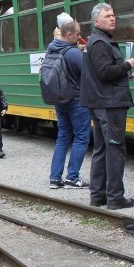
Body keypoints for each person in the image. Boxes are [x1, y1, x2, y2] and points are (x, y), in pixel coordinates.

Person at [80, 3, 134, 210]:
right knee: (114, 150)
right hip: (109, 104)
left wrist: (121, 72)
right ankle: (114, 197)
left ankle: (98, 195)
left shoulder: (96, 42)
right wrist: (127, 66)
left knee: (102, 149)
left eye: (114, 14)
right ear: (97, 21)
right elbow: (105, 72)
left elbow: (101, 73)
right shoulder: (100, 43)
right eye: (108, 15)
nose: (113, 18)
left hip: (102, 101)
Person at [47, 20, 90, 189]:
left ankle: (55, 178)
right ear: (69, 34)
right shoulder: (73, 53)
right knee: (81, 137)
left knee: (63, 137)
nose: (80, 37)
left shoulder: (52, 49)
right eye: (78, 34)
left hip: (59, 99)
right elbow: (89, 74)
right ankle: (72, 177)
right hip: (76, 100)